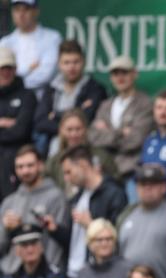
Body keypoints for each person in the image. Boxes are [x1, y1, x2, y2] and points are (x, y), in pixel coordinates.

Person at [116, 164, 166, 278]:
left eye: (153, 184)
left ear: (164, 187)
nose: (147, 188)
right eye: (143, 184)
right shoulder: (125, 215)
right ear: (136, 188)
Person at [60, 144, 127, 278]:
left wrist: (91, 225)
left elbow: (118, 236)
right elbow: (74, 237)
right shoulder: (77, 197)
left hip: (99, 273)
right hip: (72, 270)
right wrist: (54, 229)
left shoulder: (114, 194)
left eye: (69, 172)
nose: (66, 178)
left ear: (83, 165)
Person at [0, 145, 67, 274]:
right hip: (11, 273)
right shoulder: (9, 201)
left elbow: (58, 243)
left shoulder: (56, 197)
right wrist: (6, 229)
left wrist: (51, 271)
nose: (25, 171)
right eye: (20, 167)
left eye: (30, 165)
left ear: (40, 165)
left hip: (45, 273)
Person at [88, 55, 154, 187]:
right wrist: (121, 132)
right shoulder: (105, 105)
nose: (120, 77)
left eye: (124, 72)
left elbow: (136, 140)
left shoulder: (145, 103)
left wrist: (107, 132)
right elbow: (93, 137)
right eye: (115, 74)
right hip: (105, 172)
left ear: (134, 74)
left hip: (132, 172)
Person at [33, 40, 107, 154]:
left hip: (85, 147)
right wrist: (68, 126)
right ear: (59, 64)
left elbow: (86, 119)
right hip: (52, 148)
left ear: (84, 62)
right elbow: (40, 122)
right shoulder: (51, 88)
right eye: (66, 63)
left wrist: (56, 115)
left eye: (76, 62)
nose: (71, 67)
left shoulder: (95, 89)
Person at [0, 0, 61, 92]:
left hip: (42, 100)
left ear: (36, 11)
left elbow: (46, 74)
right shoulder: (5, 42)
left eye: (26, 9)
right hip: (9, 100)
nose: (21, 14)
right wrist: (28, 69)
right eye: (17, 10)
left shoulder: (52, 38)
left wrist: (14, 81)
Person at [0, 48, 36, 198]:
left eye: (9, 68)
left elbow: (21, 130)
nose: (5, 72)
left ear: (15, 69)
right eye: (1, 69)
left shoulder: (27, 95)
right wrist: (5, 123)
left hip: (15, 154)